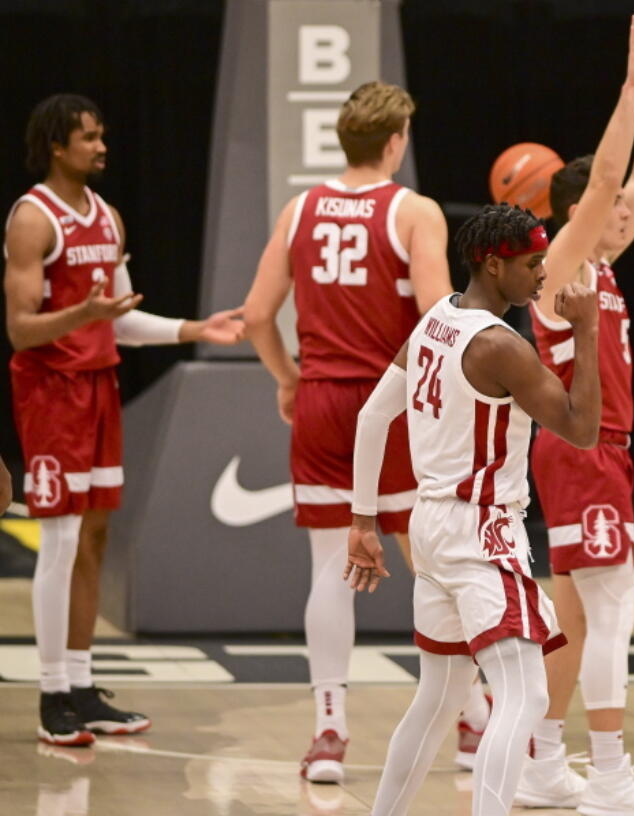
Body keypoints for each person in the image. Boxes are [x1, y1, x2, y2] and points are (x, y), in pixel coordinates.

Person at [343, 203, 598, 816]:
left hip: (429, 527)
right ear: (493, 262)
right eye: (533, 263)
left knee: (437, 700)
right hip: (481, 530)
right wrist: (586, 332)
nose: (543, 274)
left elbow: (372, 416)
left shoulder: (436, 319)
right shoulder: (500, 346)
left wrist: (363, 521)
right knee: (526, 696)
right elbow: (583, 429)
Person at [5, 93, 244, 746]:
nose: (102, 146)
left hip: (100, 387)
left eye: (103, 135)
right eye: (88, 137)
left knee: (95, 540)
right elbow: (21, 330)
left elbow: (120, 317)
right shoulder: (33, 218)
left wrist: (194, 328)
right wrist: (79, 318)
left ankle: (81, 684)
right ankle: (52, 692)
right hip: (51, 391)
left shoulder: (108, 218)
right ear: (57, 146)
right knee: (58, 541)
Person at [243, 80, 452, 782]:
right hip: (391, 404)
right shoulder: (415, 212)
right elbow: (439, 320)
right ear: (396, 141)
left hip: (324, 400)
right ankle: (473, 718)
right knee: (433, 559)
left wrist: (287, 379)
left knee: (331, 566)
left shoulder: (300, 208)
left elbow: (254, 315)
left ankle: (329, 732)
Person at [516, 15, 634, 815]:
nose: (628, 210)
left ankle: (544, 762)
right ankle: (611, 776)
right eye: (611, 205)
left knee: (578, 618)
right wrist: (629, 89)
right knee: (614, 604)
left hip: (588, 451)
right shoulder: (559, 267)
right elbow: (614, 177)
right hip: (582, 450)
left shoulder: (604, 267)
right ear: (584, 209)